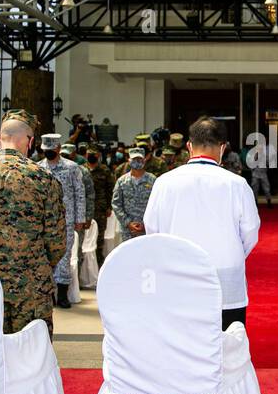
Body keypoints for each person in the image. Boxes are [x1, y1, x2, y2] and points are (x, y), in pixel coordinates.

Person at [143, 117, 261, 330]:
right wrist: (231, 253)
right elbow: (251, 231)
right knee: (228, 344)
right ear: (223, 147)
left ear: (189, 146)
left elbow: (152, 228)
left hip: (177, 273)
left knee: (180, 342)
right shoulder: (237, 184)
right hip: (225, 275)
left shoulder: (164, 182)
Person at [0, 109, 66, 334]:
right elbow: (56, 242)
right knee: (31, 358)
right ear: (30, 141)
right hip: (31, 288)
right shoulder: (42, 178)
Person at [39, 133, 89, 309]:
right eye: (46, 150)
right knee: (44, 256)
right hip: (44, 221)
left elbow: (79, 193)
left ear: (59, 149)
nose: (49, 153)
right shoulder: (38, 168)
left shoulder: (72, 167)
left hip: (66, 220)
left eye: (52, 150)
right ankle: (48, 295)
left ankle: (62, 295)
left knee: (65, 256)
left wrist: (80, 219)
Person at [112, 148, 156, 243]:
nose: (137, 162)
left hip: (146, 229)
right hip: (128, 230)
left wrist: (146, 224)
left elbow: (157, 205)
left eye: (140, 159)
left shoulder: (153, 180)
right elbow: (116, 204)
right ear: (129, 160)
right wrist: (128, 223)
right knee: (128, 256)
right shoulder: (122, 181)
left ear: (145, 160)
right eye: (134, 159)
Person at [84, 144, 114, 266]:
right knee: (85, 239)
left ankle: (99, 264)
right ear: (86, 155)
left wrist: (109, 207)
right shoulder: (81, 169)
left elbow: (110, 189)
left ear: (98, 156)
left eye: (94, 155)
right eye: (89, 155)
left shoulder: (105, 170)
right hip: (85, 209)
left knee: (99, 238)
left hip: (100, 209)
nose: (91, 157)